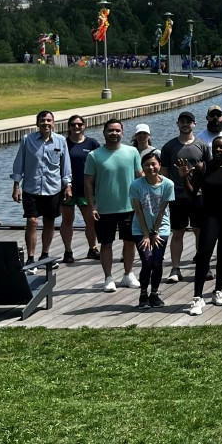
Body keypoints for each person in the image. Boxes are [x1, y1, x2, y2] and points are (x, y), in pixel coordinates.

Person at [183, 135, 222, 313]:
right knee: (204, 253)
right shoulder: (202, 167)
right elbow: (192, 192)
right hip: (210, 216)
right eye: (216, 147)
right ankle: (197, 297)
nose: (219, 150)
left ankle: (218, 291)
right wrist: (184, 178)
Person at [85, 120, 141, 292]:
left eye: (117, 130)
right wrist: (92, 206)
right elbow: (88, 182)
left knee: (130, 242)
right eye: (110, 130)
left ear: (122, 133)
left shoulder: (132, 152)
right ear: (104, 132)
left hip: (129, 207)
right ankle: (108, 277)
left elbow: (140, 177)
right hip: (104, 209)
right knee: (106, 244)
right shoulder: (94, 155)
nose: (114, 133)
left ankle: (128, 274)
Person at [11, 109, 71, 263]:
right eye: (43, 121)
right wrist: (16, 185)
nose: (46, 123)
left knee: (49, 221)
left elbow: (65, 166)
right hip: (31, 187)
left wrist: (68, 185)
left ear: (54, 123)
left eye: (49, 120)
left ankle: (45, 254)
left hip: (53, 188)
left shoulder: (60, 141)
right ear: (37, 123)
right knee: (32, 221)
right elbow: (19, 163)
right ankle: (30, 257)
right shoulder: (27, 139)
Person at [159, 111, 210, 284]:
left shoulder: (202, 146)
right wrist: (164, 196)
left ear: (194, 124)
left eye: (189, 121)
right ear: (178, 123)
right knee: (178, 232)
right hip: (178, 196)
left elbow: (208, 171)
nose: (185, 124)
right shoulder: (169, 147)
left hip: (199, 195)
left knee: (199, 232)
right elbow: (164, 173)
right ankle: (175, 268)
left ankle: (204, 266)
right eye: (182, 121)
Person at [129, 150, 174, 309]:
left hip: (161, 228)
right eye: (146, 165)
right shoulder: (136, 185)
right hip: (140, 229)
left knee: (157, 262)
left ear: (159, 165)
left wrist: (154, 232)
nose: (151, 167)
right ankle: (143, 294)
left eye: (153, 164)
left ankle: (154, 294)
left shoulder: (168, 184)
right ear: (142, 167)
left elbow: (162, 210)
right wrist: (146, 234)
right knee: (147, 261)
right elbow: (138, 211)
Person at [59, 114, 100, 264]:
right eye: (73, 125)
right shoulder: (63, 143)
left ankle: (92, 248)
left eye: (79, 124)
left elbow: (99, 164)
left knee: (90, 220)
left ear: (84, 126)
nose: (76, 127)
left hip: (87, 189)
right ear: (68, 127)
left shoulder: (92, 143)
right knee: (67, 220)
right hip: (67, 189)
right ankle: (68, 251)